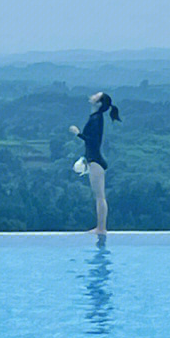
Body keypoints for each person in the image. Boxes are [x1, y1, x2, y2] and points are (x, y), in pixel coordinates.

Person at [70, 92, 120, 235]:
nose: (92, 96)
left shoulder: (97, 119)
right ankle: (100, 226)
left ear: (98, 103)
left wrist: (78, 133)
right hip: (92, 159)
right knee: (97, 195)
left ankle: (101, 228)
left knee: (100, 196)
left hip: (96, 161)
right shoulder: (95, 118)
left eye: (96, 96)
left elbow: (93, 141)